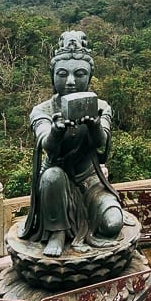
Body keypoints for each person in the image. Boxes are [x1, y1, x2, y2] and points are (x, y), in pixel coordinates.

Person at [19, 30, 123, 257]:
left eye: (80, 74)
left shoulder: (101, 106)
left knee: (114, 223)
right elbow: (45, 143)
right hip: (56, 186)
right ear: (53, 76)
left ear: (90, 76)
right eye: (63, 74)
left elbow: (101, 144)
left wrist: (95, 125)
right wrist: (57, 131)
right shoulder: (43, 110)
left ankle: (93, 221)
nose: (71, 82)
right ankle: (57, 232)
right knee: (52, 176)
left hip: (90, 180)